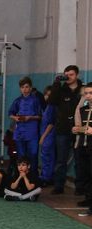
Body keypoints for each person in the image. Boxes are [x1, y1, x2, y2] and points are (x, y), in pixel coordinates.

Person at [49, 65, 83, 194]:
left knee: (79, 159)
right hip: (63, 129)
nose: (68, 77)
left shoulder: (82, 89)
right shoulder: (61, 89)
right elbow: (51, 101)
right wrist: (56, 84)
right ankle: (59, 186)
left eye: (71, 74)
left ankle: (80, 187)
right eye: (66, 75)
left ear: (77, 75)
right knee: (61, 159)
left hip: (79, 129)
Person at [8, 76, 42, 175]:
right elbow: (10, 113)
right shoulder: (17, 101)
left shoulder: (35, 100)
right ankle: (22, 176)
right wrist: (15, 118)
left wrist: (30, 117)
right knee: (21, 155)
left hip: (32, 131)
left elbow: (40, 116)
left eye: (27, 87)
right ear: (20, 89)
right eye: (22, 87)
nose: (25, 89)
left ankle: (33, 176)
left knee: (33, 154)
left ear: (30, 88)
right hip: (20, 131)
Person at [73, 82, 92, 213]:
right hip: (84, 146)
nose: (88, 96)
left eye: (91, 93)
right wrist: (77, 129)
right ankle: (89, 199)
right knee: (86, 174)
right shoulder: (83, 109)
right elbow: (81, 127)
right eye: (86, 93)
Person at [38, 86, 56, 186]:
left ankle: (47, 178)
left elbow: (50, 124)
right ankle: (46, 176)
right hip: (46, 135)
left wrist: (43, 137)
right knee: (46, 157)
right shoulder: (47, 107)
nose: (47, 97)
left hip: (48, 136)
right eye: (46, 94)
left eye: (49, 95)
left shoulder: (51, 107)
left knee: (47, 158)